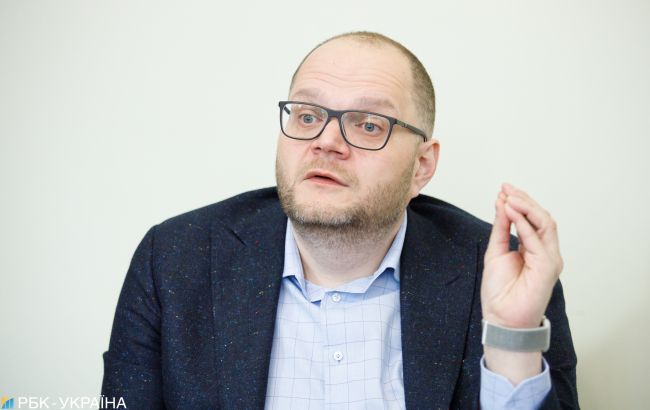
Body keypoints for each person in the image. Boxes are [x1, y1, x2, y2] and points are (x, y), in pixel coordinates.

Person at [101, 32, 578, 409]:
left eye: (368, 124)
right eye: (308, 116)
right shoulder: (175, 260)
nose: (327, 142)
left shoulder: (500, 273)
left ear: (422, 166)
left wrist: (512, 338)